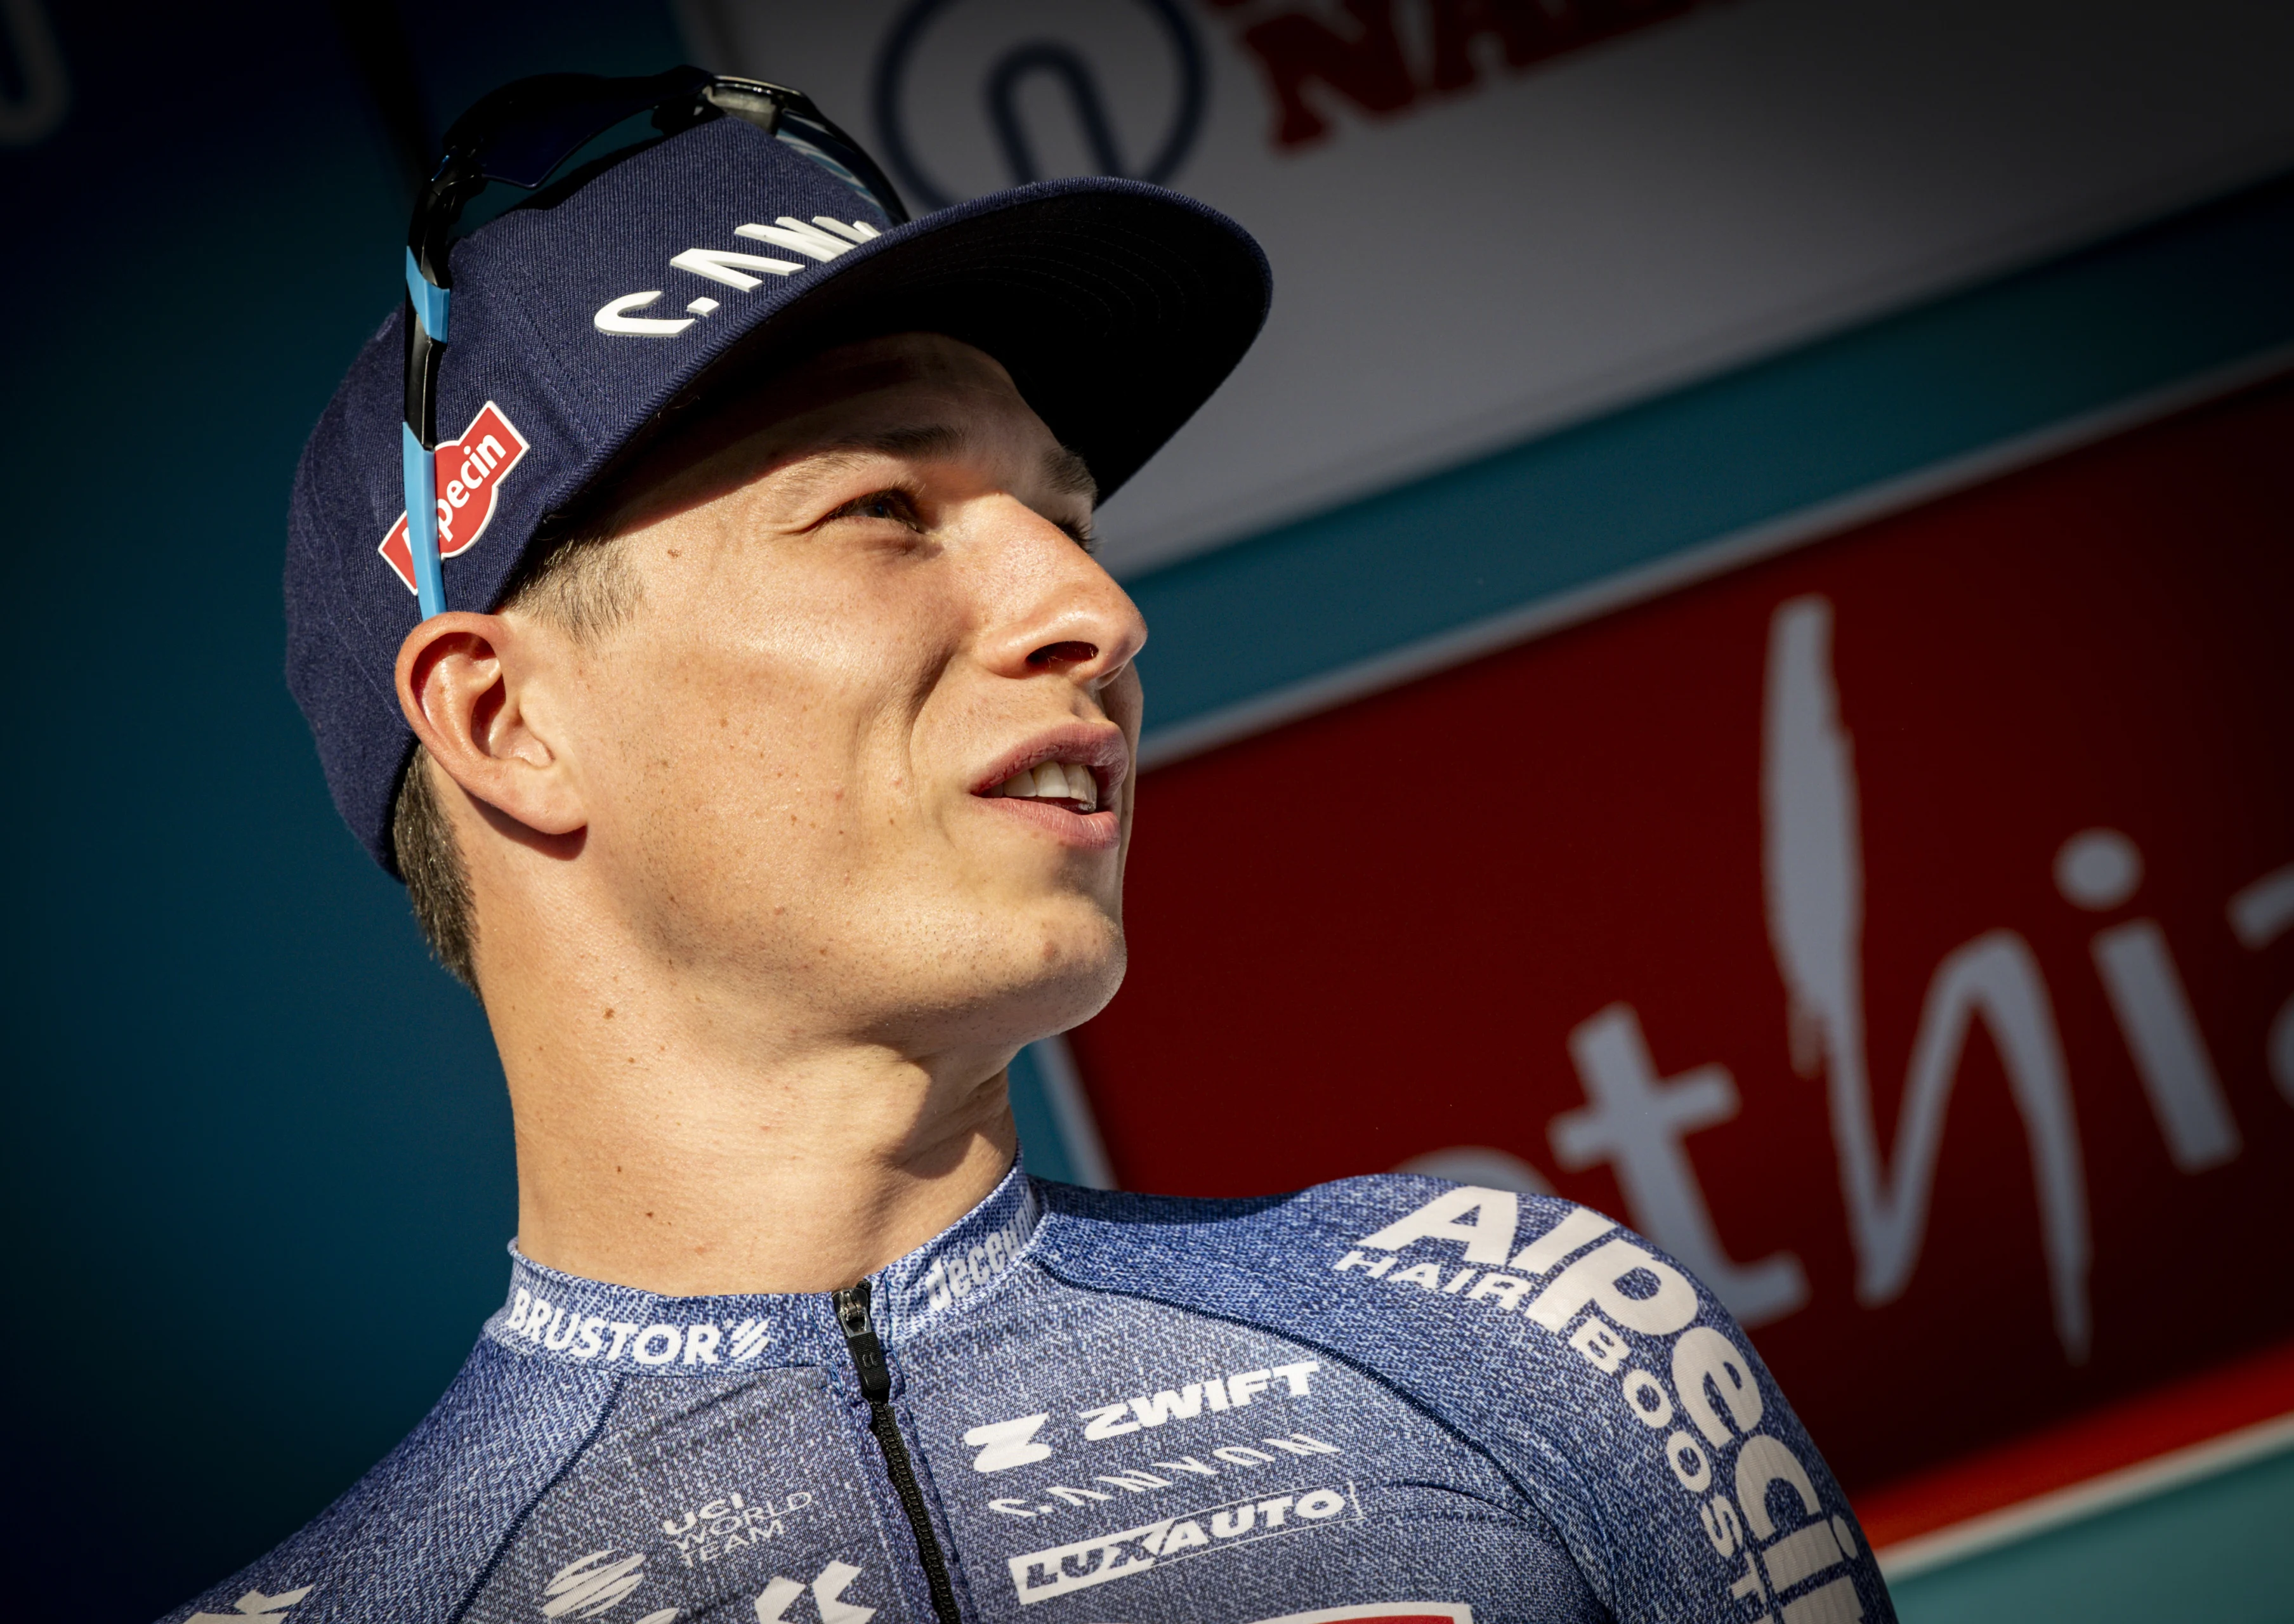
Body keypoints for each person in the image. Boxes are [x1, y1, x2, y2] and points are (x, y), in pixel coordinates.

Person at [186, 66, 1892, 1624]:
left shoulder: (1536, 1345)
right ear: (507, 723)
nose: (1097, 609)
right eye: (885, 513)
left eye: (1065, 519)